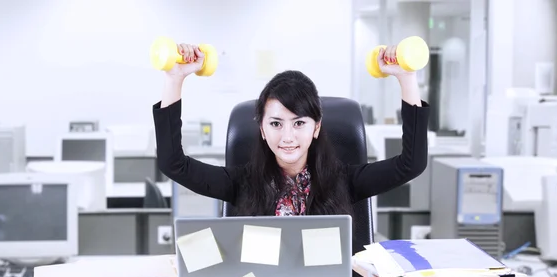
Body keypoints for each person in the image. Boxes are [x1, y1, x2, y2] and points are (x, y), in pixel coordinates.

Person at [153, 43, 430, 217]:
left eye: (299, 123)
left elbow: (411, 164)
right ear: (261, 129)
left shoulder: (343, 181)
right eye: (275, 124)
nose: (287, 137)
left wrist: (406, 78)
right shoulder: (242, 183)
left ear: (316, 127)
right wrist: (174, 78)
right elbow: (173, 164)